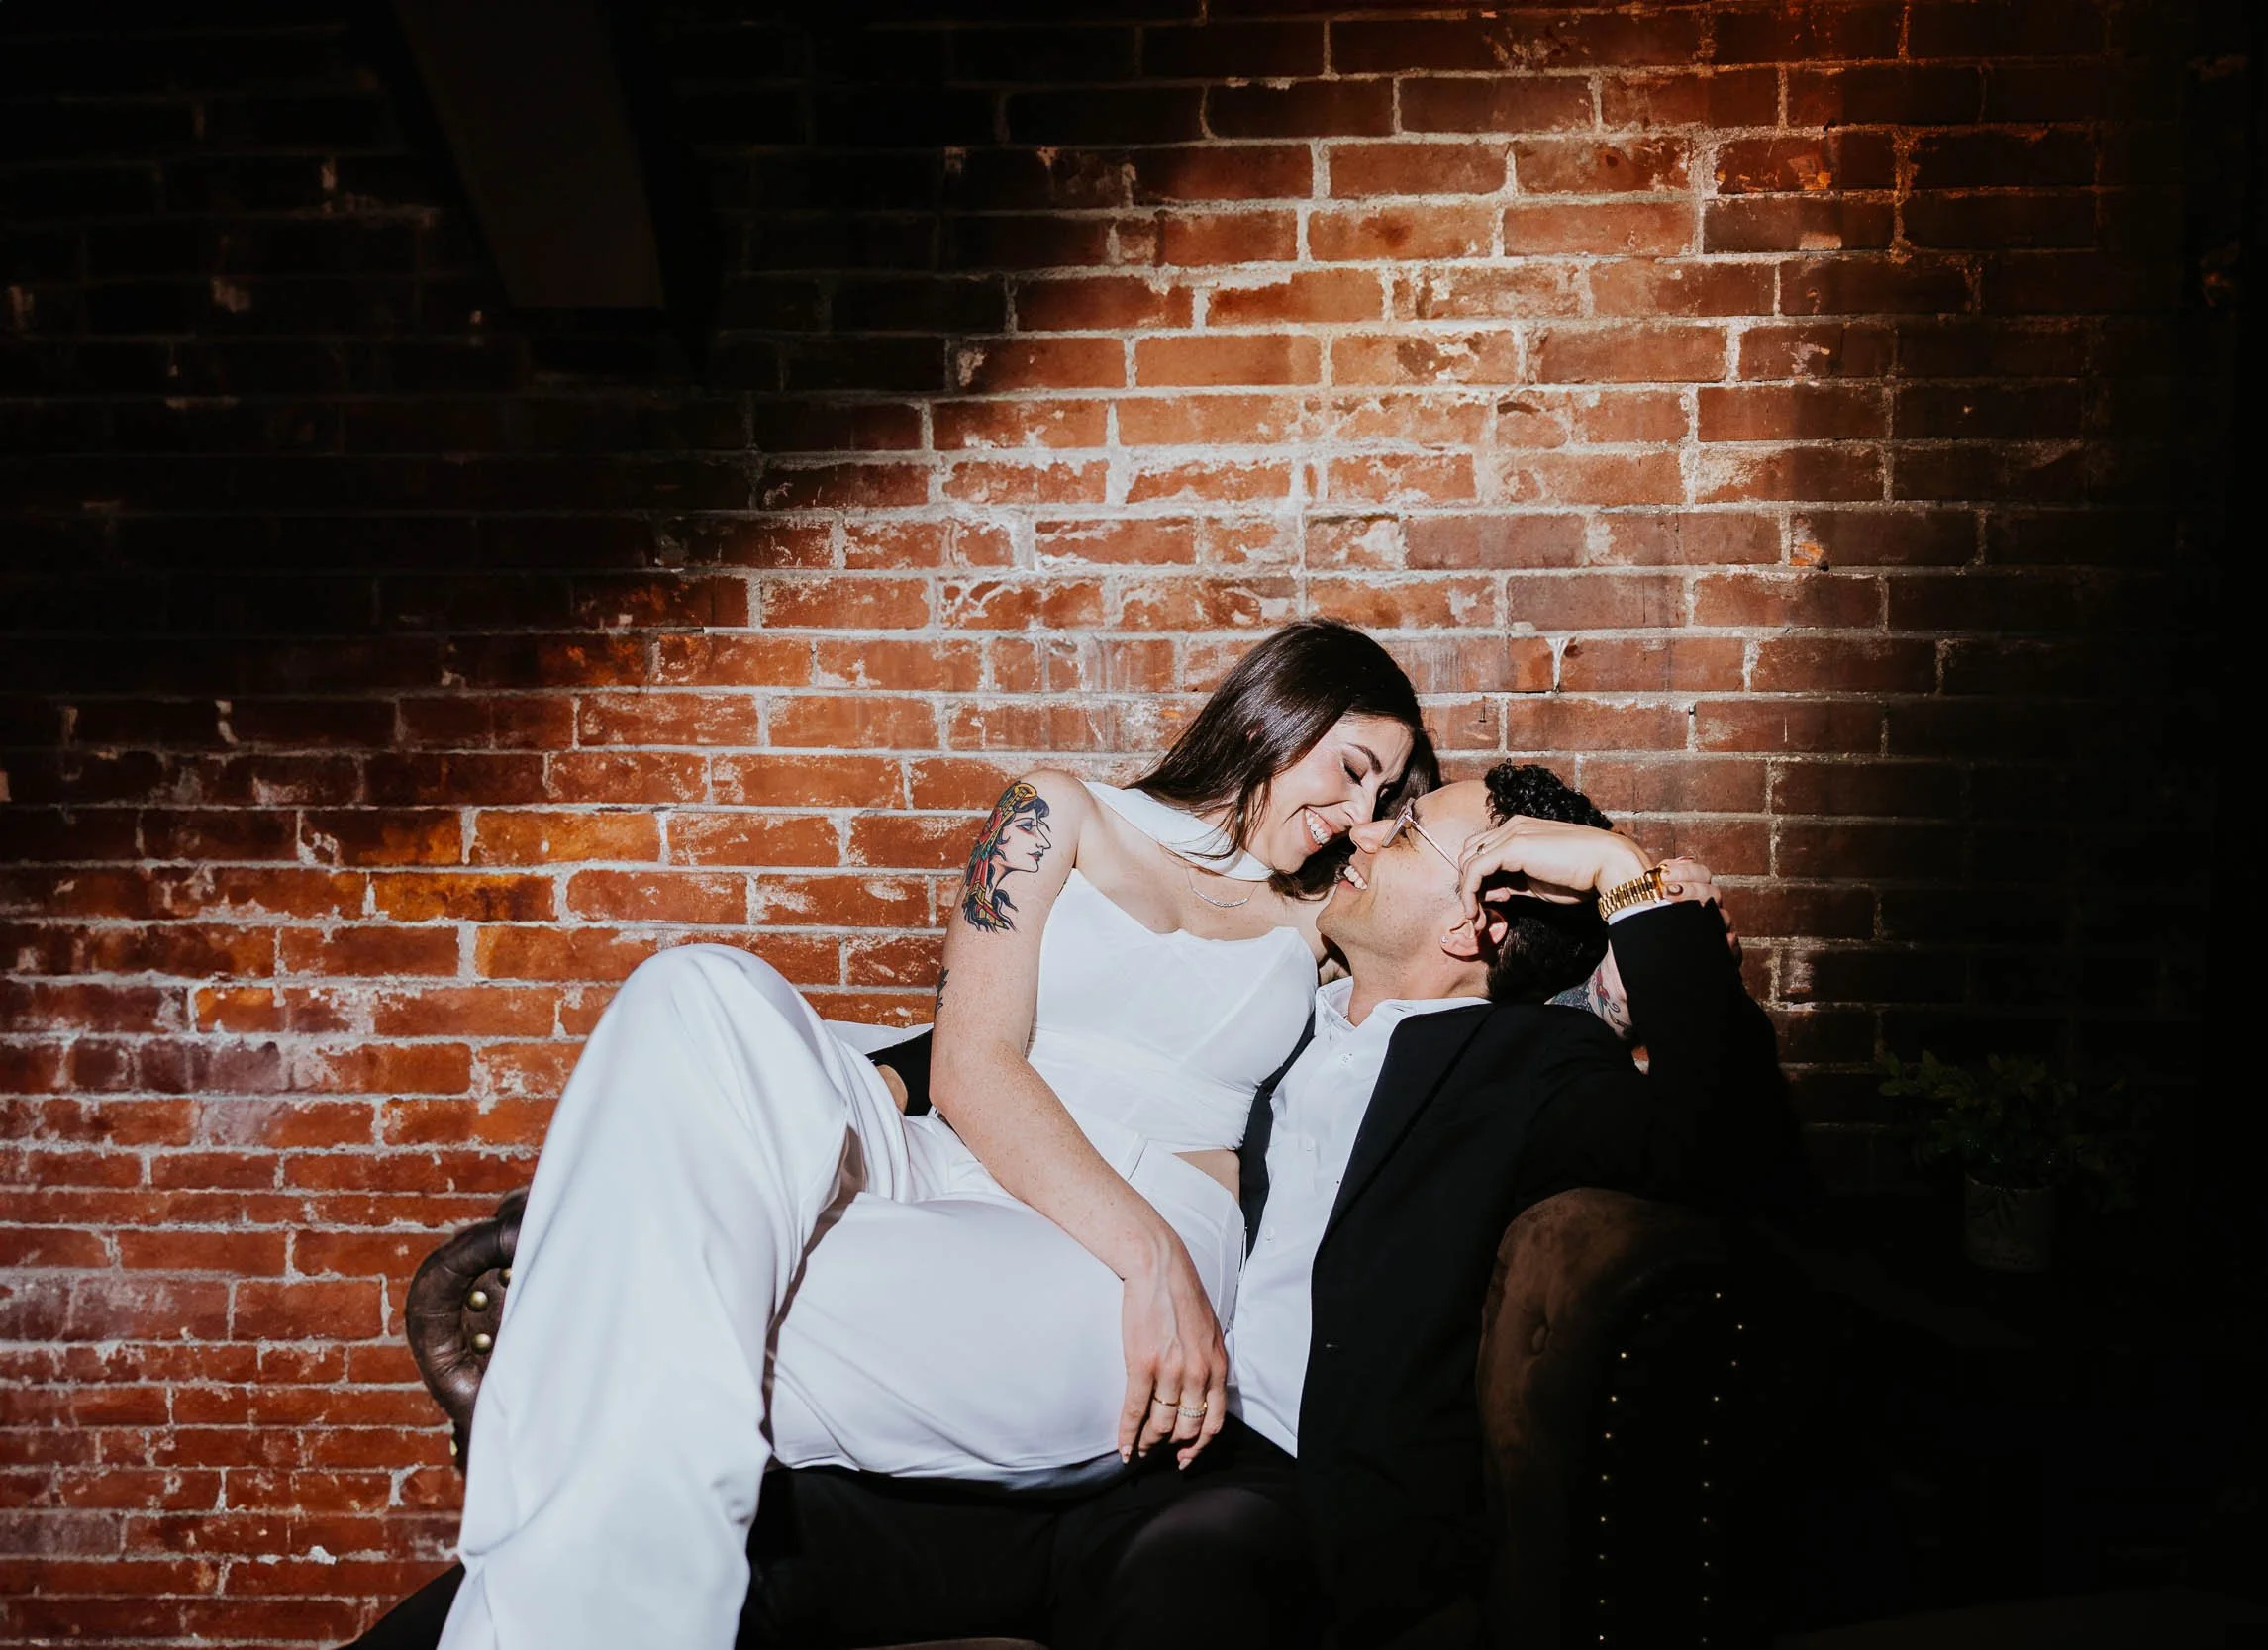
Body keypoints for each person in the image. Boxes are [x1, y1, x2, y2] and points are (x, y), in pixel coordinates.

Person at [350, 760, 1803, 1650]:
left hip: (1261, 1476)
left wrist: (1628, 879)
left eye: (1414, 828)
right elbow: (1055, 1055)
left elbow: (1731, 1152)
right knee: (715, 1540)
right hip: (1078, 1442)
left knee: (1194, 1598)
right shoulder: (1282, 1006)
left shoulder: (1515, 1062)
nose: (1362, 837)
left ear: (1482, 910)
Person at [431, 620, 1437, 1649]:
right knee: (694, 989)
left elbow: (1520, 961)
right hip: (963, 1162)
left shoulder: (1323, 917)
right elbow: (967, 1061)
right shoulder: (1056, 811)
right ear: (1277, 712)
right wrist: (1152, 1259)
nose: (1359, 815)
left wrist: (1608, 874)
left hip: (1110, 1250)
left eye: (1386, 799)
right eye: (1353, 768)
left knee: (624, 1285)